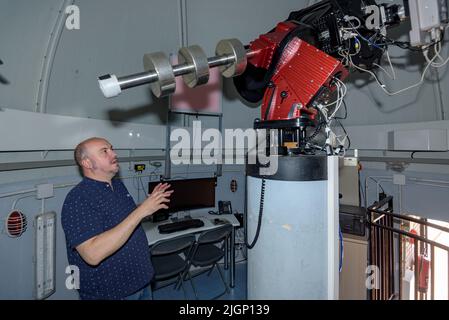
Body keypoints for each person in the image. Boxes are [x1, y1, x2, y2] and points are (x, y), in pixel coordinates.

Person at [61, 137, 173, 300]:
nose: (114, 153)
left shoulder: (117, 185)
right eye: (104, 151)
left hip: (142, 282)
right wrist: (141, 211)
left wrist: (149, 206)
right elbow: (92, 254)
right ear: (87, 163)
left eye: (111, 148)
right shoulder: (78, 199)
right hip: (112, 293)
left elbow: (123, 221)